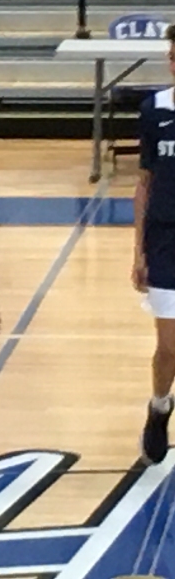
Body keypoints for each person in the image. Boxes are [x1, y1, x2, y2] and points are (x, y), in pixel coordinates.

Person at [132, 24, 175, 465]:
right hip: (165, 239)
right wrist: (138, 251)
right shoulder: (154, 110)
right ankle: (160, 406)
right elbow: (143, 183)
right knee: (169, 346)